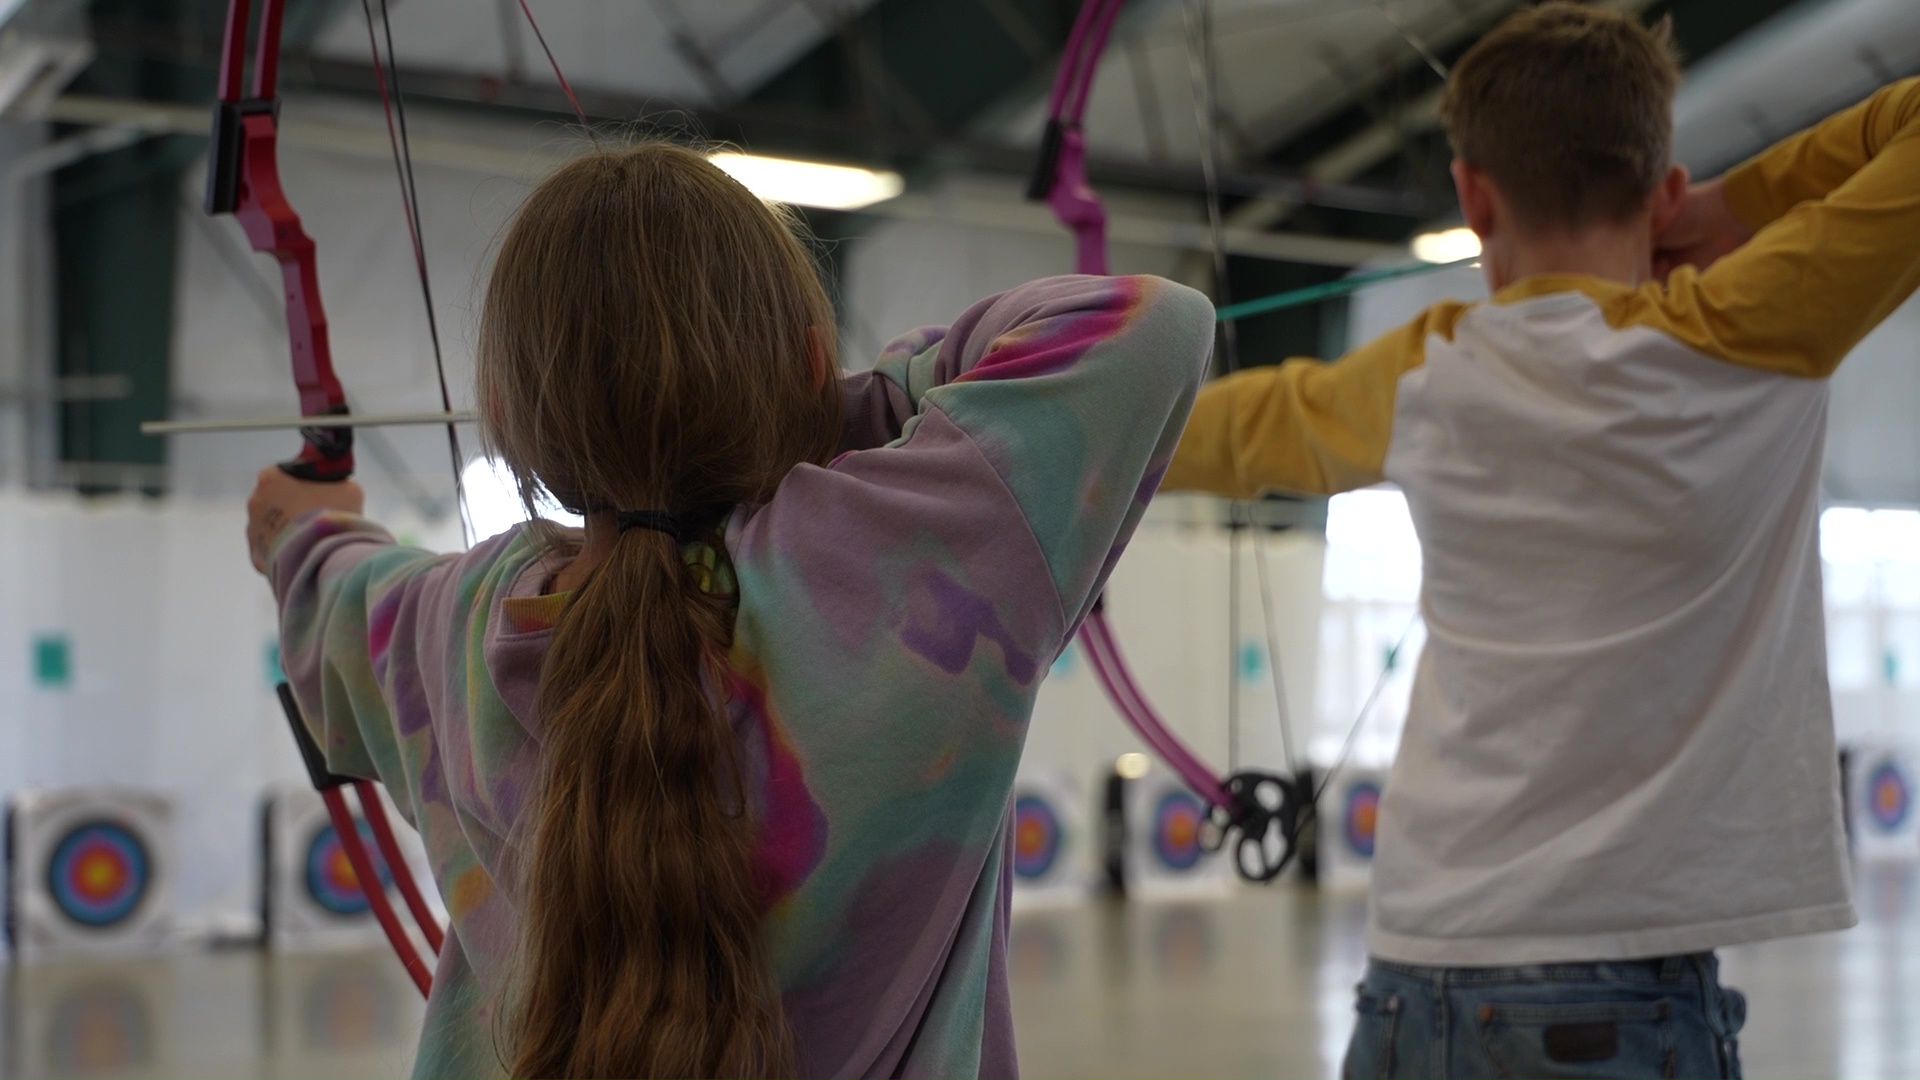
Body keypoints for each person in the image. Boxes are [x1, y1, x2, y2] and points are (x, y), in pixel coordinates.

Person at [245, 142, 1213, 1080]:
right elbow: (1152, 326)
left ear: (503, 411)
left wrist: (299, 531)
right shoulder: (884, 553)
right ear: (800, 366)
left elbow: (328, 588)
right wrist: (807, 406)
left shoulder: (452, 624)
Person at [1162, 4, 1920, 1076]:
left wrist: (974, 422)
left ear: (1474, 196)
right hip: (1618, 991)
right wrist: (1730, 202)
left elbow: (1208, 435)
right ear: (1660, 187)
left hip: (1408, 980)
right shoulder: (1750, 326)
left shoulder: (1430, 367)